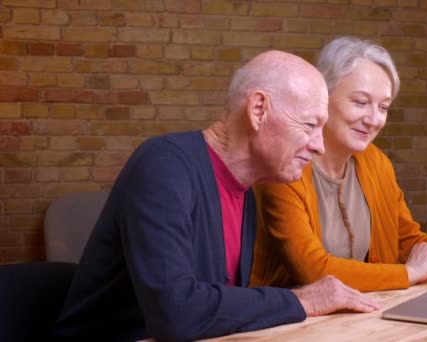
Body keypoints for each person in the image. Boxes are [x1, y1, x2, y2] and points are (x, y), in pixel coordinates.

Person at [53, 50, 379, 342]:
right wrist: (304, 300)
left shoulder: (248, 192)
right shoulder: (163, 165)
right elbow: (176, 313)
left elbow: (219, 306)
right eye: (309, 124)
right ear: (258, 109)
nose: (319, 145)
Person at [250, 37, 427, 293]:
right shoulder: (285, 166)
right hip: (290, 325)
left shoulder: (376, 162)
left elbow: (407, 241)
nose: (373, 119)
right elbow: (312, 270)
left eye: (383, 107)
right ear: (322, 96)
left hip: (361, 316)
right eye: (360, 102)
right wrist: (410, 273)